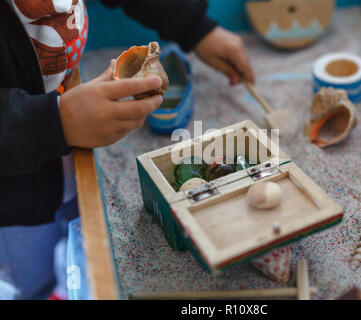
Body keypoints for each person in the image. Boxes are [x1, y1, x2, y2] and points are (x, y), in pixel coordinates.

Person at [0, 0, 254, 299]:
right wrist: (48, 123)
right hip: (12, 194)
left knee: (73, 246)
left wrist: (195, 27)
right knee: (28, 275)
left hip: (71, 148)